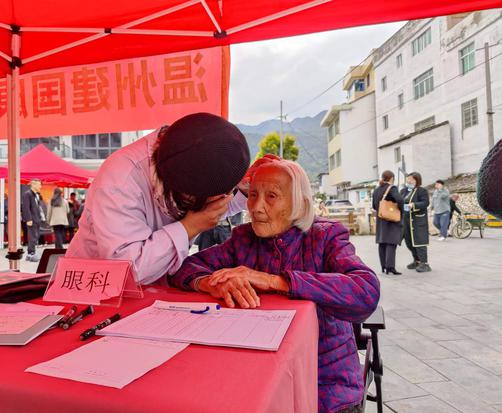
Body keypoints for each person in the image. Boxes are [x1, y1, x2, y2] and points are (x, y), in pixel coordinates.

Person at [169, 159, 380, 413]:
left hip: (324, 383)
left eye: (271, 196)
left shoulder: (325, 236)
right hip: (255, 376)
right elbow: (181, 268)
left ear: (299, 204)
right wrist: (209, 283)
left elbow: (365, 291)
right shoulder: (243, 239)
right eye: (253, 195)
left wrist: (274, 281)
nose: (256, 208)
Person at [67, 112, 262, 285]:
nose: (223, 199)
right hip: (91, 289)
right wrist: (189, 227)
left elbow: (207, 208)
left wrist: (244, 189)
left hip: (152, 291)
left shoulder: (192, 157)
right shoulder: (122, 178)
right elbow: (129, 269)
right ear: (186, 193)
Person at [372, 170, 404, 275]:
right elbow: (400, 200)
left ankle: (383, 266)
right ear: (391, 178)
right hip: (391, 219)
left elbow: (374, 206)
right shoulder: (392, 188)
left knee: (382, 242)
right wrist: (400, 210)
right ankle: (390, 267)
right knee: (391, 242)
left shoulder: (376, 190)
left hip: (381, 219)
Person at [400, 172, 431, 272]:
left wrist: (413, 205)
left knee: (420, 242)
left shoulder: (422, 191)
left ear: (417, 180)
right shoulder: (403, 191)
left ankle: (424, 263)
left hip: (417, 220)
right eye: (408, 179)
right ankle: (417, 260)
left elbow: (425, 203)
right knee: (409, 241)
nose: (408, 181)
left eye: (411, 180)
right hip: (406, 220)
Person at [21, 179, 45, 262]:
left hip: (37, 219)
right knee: (32, 236)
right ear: (33, 185)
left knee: (35, 236)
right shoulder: (27, 194)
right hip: (31, 219)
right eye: (39, 185)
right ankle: (31, 253)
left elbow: (38, 207)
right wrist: (28, 219)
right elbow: (26, 207)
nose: (40, 186)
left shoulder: (36, 195)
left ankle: (32, 253)